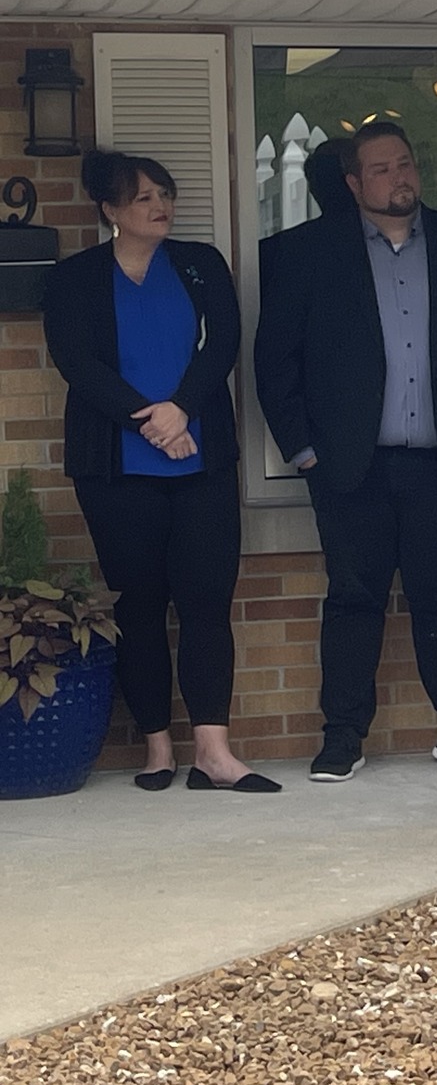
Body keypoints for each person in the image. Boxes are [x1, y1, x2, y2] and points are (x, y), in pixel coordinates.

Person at [254, 123, 437, 783]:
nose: (398, 178)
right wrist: (303, 450)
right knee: (353, 598)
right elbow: (274, 360)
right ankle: (342, 737)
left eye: (405, 163)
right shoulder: (308, 253)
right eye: (381, 169)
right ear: (353, 183)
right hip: (350, 465)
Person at [43, 150, 278, 792]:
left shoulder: (201, 265)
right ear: (111, 210)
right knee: (140, 607)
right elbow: (78, 364)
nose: (158, 206)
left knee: (206, 603)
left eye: (164, 194)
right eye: (143, 197)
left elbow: (223, 343)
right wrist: (151, 422)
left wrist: (181, 411)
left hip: (201, 461)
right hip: (116, 468)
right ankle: (156, 750)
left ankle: (213, 751)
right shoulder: (73, 279)